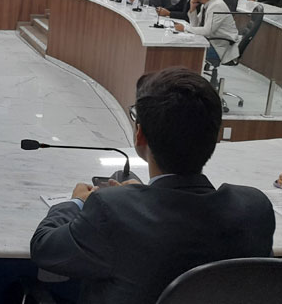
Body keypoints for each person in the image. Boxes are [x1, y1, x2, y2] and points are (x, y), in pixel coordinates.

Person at [30, 66, 274, 304]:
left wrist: (77, 202)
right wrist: (141, 195)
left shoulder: (110, 210)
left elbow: (44, 247)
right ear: (215, 137)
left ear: (140, 136)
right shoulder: (255, 209)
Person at [174, 0, 240, 64]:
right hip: (211, 41)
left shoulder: (217, 6)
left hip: (220, 48)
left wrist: (185, 28)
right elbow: (195, 25)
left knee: (184, 49)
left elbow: (207, 31)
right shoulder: (207, 4)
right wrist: (192, 9)